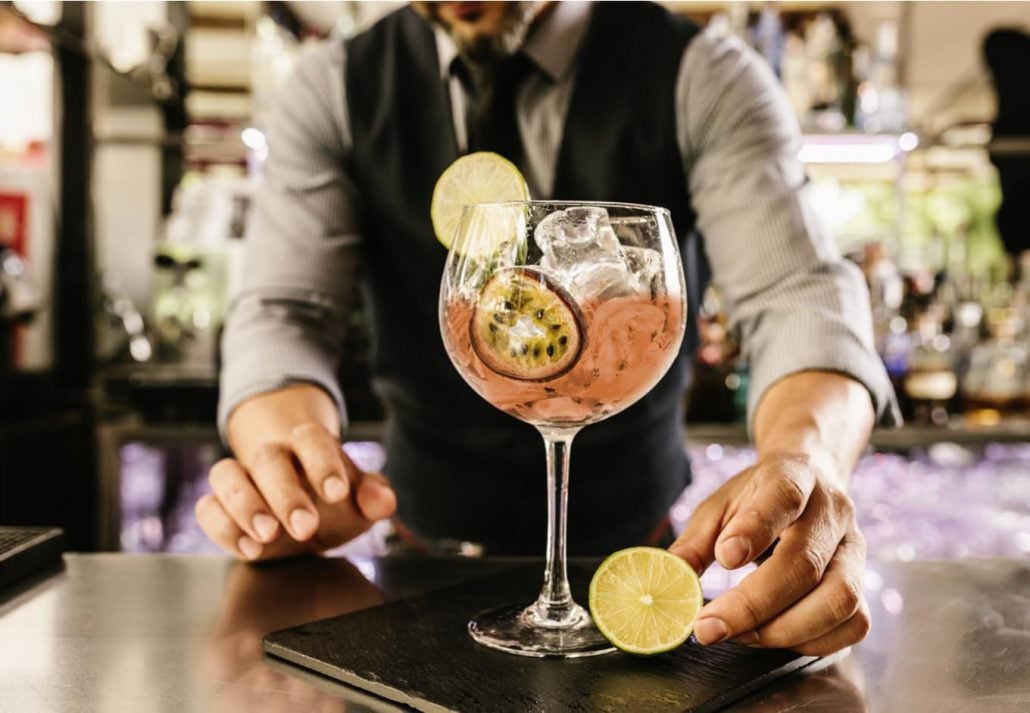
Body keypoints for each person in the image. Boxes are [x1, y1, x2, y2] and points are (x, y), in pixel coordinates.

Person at [196, 1, 899, 656]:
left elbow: (794, 290)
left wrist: (808, 458)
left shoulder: (700, 71)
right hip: (413, 559)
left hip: (635, 565)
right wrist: (289, 462)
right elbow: (284, 310)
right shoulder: (333, 88)